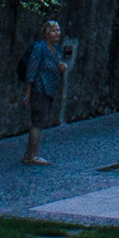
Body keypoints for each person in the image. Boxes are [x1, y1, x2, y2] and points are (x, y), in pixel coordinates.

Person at [21, 17, 68, 166]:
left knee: (40, 122)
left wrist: (61, 67)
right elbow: (31, 71)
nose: (57, 33)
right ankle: (32, 156)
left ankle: (29, 154)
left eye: (58, 30)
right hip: (40, 89)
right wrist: (28, 94)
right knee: (38, 123)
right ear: (46, 33)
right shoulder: (39, 48)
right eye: (53, 31)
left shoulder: (56, 49)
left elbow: (54, 65)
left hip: (50, 90)